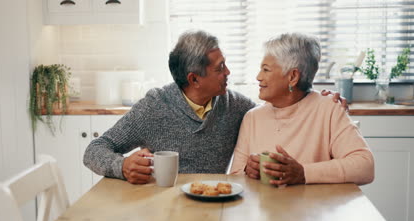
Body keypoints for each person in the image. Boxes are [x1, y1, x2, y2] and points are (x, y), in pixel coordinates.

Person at [84, 30, 346, 185]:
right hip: (160, 209)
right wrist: (122, 166)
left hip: (216, 207)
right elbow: (94, 150)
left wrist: (314, 97)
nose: (228, 72)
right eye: (220, 68)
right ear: (194, 79)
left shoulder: (237, 106)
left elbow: (279, 110)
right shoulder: (154, 107)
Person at [229, 33, 374, 185]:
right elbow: (235, 177)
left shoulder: (329, 109)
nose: (258, 77)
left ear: (292, 77)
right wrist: (248, 170)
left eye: (266, 70)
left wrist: (304, 173)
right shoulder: (252, 117)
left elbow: (365, 167)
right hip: (264, 207)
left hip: (315, 207)